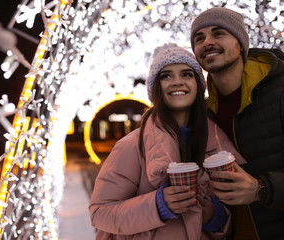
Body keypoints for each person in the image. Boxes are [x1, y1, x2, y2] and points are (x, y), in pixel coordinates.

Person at [89, 43, 246, 239]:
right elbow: (100, 213)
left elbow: (234, 214)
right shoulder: (132, 146)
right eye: (166, 76)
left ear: (198, 84)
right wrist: (158, 205)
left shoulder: (217, 144)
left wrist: (214, 217)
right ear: (156, 88)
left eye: (187, 74)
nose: (177, 82)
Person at [190, 7, 284, 240]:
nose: (207, 42)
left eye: (218, 33)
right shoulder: (202, 113)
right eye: (199, 38)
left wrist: (261, 189)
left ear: (241, 44)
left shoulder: (280, 91)